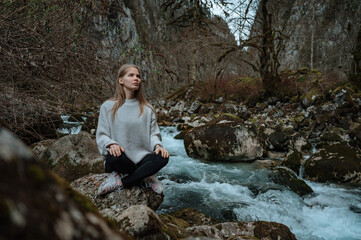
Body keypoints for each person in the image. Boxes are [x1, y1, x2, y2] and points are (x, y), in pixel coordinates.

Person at [96, 64, 169, 195]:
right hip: (119, 159)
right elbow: (102, 135)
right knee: (115, 157)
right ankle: (144, 176)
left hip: (141, 159)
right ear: (121, 80)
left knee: (163, 157)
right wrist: (111, 144)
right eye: (131, 75)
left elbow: (153, 134)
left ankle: (122, 182)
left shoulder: (147, 109)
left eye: (138, 76)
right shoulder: (107, 106)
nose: (136, 78)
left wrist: (158, 146)